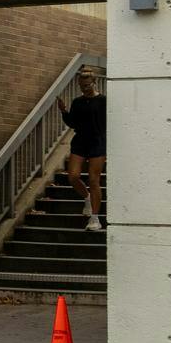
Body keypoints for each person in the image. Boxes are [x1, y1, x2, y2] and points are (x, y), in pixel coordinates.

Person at [57, 73, 107, 232]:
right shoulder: (77, 102)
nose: (84, 88)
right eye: (82, 86)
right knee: (73, 176)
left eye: (87, 85)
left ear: (94, 82)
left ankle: (94, 218)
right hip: (80, 142)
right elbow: (72, 122)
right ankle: (87, 197)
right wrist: (64, 111)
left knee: (94, 180)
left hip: (97, 143)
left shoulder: (103, 101)